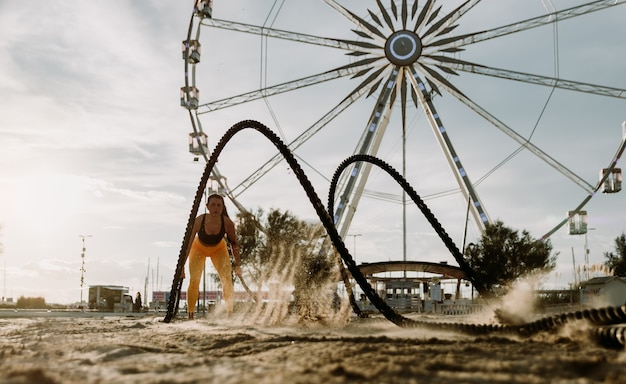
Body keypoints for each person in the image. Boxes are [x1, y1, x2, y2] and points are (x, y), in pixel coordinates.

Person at [184, 193, 241, 319]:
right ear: (207, 206)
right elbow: (187, 245)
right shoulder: (199, 220)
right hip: (198, 248)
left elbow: (234, 245)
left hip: (218, 249)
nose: (216, 208)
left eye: (219, 205)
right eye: (213, 205)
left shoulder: (227, 223)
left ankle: (230, 314)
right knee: (194, 280)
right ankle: (190, 314)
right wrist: (181, 267)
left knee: (227, 280)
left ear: (222, 207)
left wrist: (238, 265)